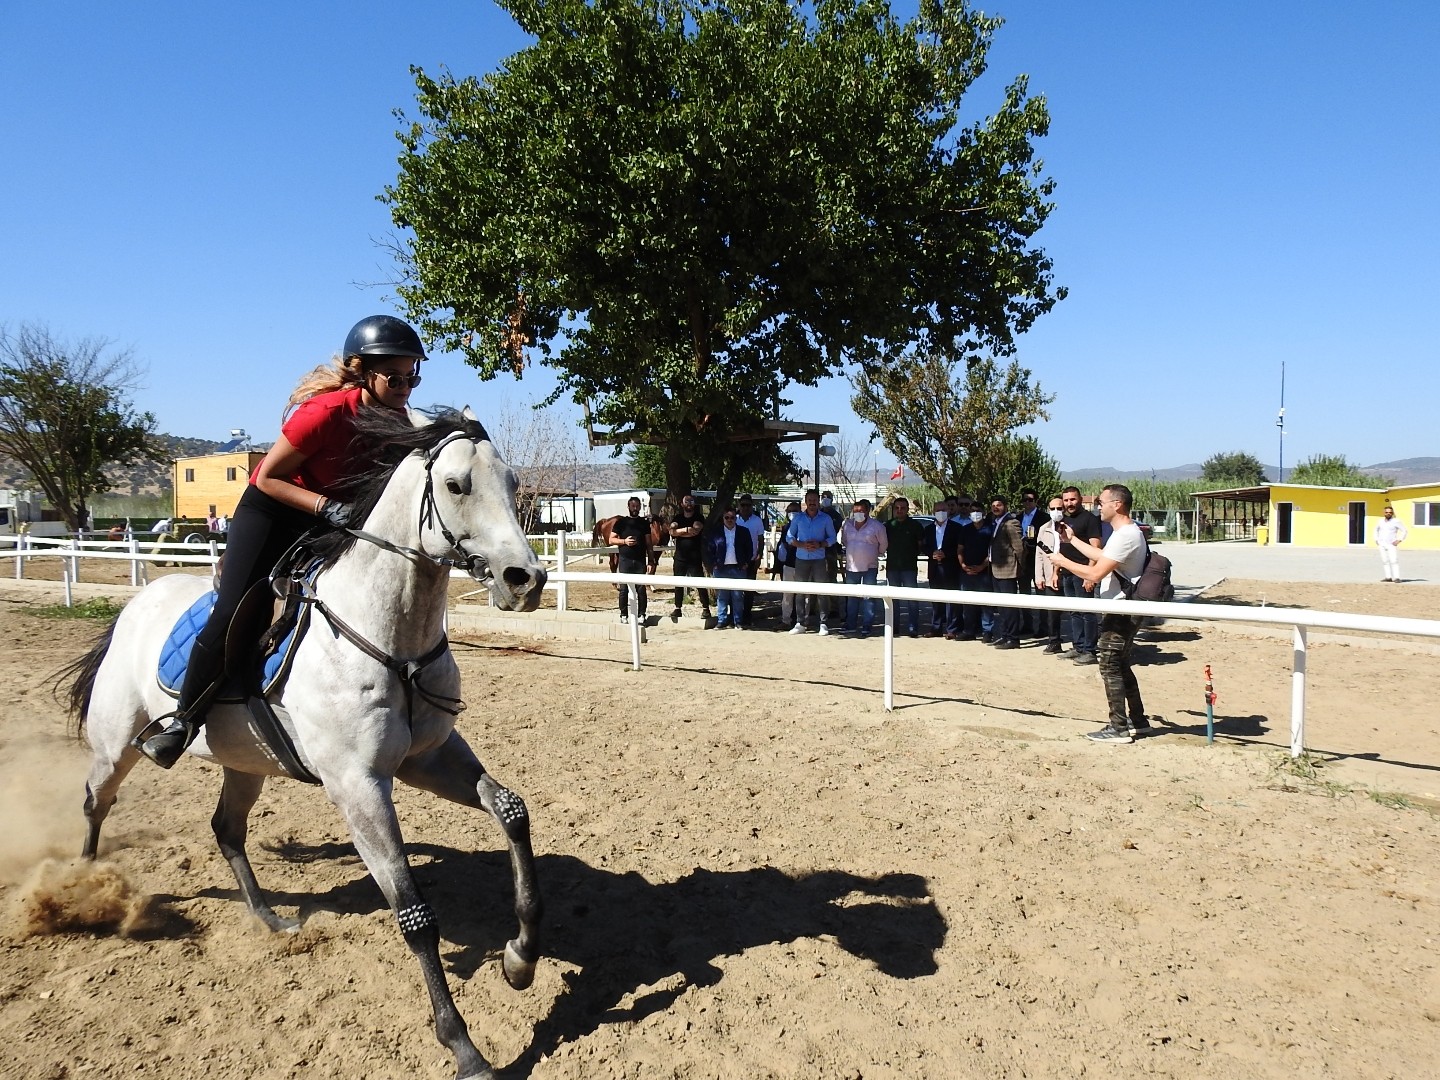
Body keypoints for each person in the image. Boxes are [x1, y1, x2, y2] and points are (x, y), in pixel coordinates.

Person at [134, 314, 428, 768]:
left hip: (328, 520)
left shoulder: (399, 421)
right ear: (363, 370)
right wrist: (325, 508)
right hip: (272, 511)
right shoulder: (325, 413)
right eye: (396, 376)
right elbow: (266, 477)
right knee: (236, 610)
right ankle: (182, 720)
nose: (406, 386)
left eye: (413, 376)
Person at [1048, 483, 1151, 744]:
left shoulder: (1126, 535)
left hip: (1121, 612)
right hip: (1121, 609)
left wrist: (1063, 561)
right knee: (1121, 665)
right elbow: (1103, 556)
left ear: (1117, 505)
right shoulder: (1125, 533)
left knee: (1109, 665)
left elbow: (1095, 572)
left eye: (1102, 503)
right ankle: (1138, 721)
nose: (1099, 507)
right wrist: (1072, 541)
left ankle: (1118, 727)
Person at [1057, 486, 1103, 665]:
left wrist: (1090, 575)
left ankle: (1090, 651)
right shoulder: (1063, 520)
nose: (1069, 503)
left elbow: (1096, 548)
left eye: (1073, 499)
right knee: (1074, 612)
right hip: (1067, 573)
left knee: (1087, 612)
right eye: (1066, 500)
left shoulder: (1090, 519)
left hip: (1083, 572)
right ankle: (1078, 647)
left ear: (1080, 500)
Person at [785, 489, 837, 635]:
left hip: (819, 559)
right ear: (805, 501)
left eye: (815, 500)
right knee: (800, 591)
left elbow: (832, 538)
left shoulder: (826, 519)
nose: (812, 503)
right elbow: (789, 537)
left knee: (822, 591)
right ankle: (800, 623)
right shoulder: (798, 519)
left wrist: (820, 544)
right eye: (809, 500)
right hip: (801, 559)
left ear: (818, 501)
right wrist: (801, 544)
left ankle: (823, 623)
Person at [840, 499, 888, 637]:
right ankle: (850, 625)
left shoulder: (877, 526)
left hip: (870, 567)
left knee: (869, 598)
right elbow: (844, 541)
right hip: (851, 567)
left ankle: (867, 626)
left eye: (861, 511)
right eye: (855, 511)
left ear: (867, 511)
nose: (858, 513)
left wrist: (872, 554)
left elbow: (883, 545)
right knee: (851, 598)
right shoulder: (847, 525)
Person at [704, 506, 754, 629]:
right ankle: (722, 621)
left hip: (738, 569)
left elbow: (749, 549)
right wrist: (713, 563)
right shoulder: (716, 532)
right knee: (722, 597)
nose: (729, 520)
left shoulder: (744, 531)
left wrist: (746, 563)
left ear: (736, 518)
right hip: (721, 569)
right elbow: (709, 549)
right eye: (727, 517)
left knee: (738, 597)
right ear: (723, 518)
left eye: (732, 517)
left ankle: (738, 621)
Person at [919, 500, 963, 638]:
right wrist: (931, 553)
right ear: (933, 512)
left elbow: (959, 547)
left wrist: (946, 554)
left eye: (943, 510)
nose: (941, 513)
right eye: (938, 510)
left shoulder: (957, 528)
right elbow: (924, 546)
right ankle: (936, 628)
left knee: (952, 600)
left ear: (948, 511)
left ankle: (952, 629)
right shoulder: (928, 529)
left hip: (951, 568)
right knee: (936, 600)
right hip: (934, 569)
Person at [884, 497, 925, 637]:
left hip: (909, 568)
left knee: (912, 599)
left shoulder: (915, 526)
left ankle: (913, 627)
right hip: (892, 568)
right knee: (893, 599)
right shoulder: (888, 525)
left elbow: (920, 545)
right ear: (893, 509)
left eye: (903, 508)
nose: (900, 510)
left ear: (907, 509)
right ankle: (894, 627)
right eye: (897, 508)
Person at [986, 496, 1023, 649]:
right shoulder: (995, 523)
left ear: (1005, 506)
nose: (996, 508)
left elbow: (1019, 548)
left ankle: (1013, 639)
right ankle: (1005, 635)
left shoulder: (1011, 523)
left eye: (999, 505)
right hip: (995, 569)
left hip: (1008, 570)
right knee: (1001, 607)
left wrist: (1019, 567)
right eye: (993, 505)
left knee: (1010, 607)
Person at [1031, 496, 1067, 654]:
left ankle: (1083, 646)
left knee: (1077, 610)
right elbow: (1039, 553)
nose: (1056, 512)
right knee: (1052, 611)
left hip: (1070, 573)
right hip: (1049, 575)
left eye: (1059, 508)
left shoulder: (1070, 527)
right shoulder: (1044, 528)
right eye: (1052, 509)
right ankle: (1054, 641)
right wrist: (1039, 576)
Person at [668, 494, 710, 620]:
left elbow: (696, 529)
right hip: (680, 557)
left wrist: (679, 533)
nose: (689, 504)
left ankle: (706, 608)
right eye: (686, 501)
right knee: (678, 583)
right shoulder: (678, 517)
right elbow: (671, 530)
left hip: (694, 557)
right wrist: (686, 529)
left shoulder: (699, 517)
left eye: (691, 501)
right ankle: (677, 608)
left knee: (699, 583)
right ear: (682, 504)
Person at [956, 499, 992, 641]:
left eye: (977, 511)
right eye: (972, 512)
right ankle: (969, 630)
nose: (975, 514)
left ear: (983, 513)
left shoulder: (990, 529)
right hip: (967, 572)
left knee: (986, 603)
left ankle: (987, 631)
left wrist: (982, 566)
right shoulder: (965, 529)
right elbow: (960, 549)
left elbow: (992, 551)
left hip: (984, 571)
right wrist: (963, 565)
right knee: (968, 602)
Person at [612, 496, 651, 623]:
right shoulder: (621, 522)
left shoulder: (644, 523)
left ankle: (642, 614)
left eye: (637, 506)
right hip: (625, 560)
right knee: (623, 589)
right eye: (633, 506)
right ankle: (623, 614)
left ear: (640, 507)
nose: (635, 508)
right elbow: (611, 539)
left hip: (640, 561)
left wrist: (651, 561)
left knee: (641, 589)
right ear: (628, 506)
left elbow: (649, 543)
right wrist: (624, 541)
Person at [734, 495, 766, 626]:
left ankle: (747, 615)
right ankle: (735, 616)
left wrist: (759, 555)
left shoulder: (757, 520)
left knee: (749, 591)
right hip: (735, 560)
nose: (745, 508)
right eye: (743, 505)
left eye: (748, 505)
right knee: (735, 591)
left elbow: (761, 540)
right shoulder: (733, 519)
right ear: (739, 506)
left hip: (751, 559)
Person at [1017, 488, 1042, 636]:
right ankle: (1027, 624)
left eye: (1030, 500)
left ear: (1036, 501)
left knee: (1041, 593)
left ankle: (1044, 627)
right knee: (1024, 593)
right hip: (1023, 561)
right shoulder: (1018, 518)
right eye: (1025, 500)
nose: (1027, 502)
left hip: (1037, 559)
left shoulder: (1043, 517)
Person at [773, 501, 801, 630]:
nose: (792, 514)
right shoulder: (785, 528)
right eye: (789, 511)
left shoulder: (804, 526)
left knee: (802, 595)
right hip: (788, 564)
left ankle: (801, 621)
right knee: (787, 595)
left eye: (795, 511)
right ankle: (786, 620)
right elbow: (783, 546)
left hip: (803, 564)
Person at [1376, 505, 1407, 582]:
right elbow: (1376, 530)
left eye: (1390, 512)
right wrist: (1376, 539)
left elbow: (1404, 530)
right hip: (1382, 544)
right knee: (1385, 561)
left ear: (1392, 513)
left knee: (1394, 560)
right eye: (1386, 512)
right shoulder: (1380, 521)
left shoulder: (1396, 521)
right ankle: (1388, 577)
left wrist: (1399, 540)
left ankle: (1396, 577)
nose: (1388, 513)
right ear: (1384, 513)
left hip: (1391, 544)